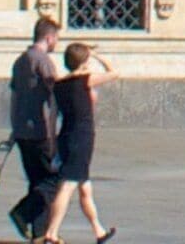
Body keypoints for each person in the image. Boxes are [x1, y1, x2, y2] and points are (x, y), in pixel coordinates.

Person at [44, 40, 116, 244]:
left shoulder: (59, 84)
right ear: (84, 62)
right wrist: (96, 55)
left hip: (66, 135)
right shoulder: (84, 80)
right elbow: (114, 73)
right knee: (67, 186)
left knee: (85, 187)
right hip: (81, 137)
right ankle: (52, 233)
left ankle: (99, 231)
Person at [6, 16, 65, 244]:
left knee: (36, 181)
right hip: (41, 132)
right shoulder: (43, 61)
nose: (56, 43)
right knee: (54, 179)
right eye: (56, 38)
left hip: (22, 131)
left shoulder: (20, 61)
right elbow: (56, 89)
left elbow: (14, 97)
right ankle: (23, 212)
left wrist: (14, 127)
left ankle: (39, 234)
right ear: (49, 37)